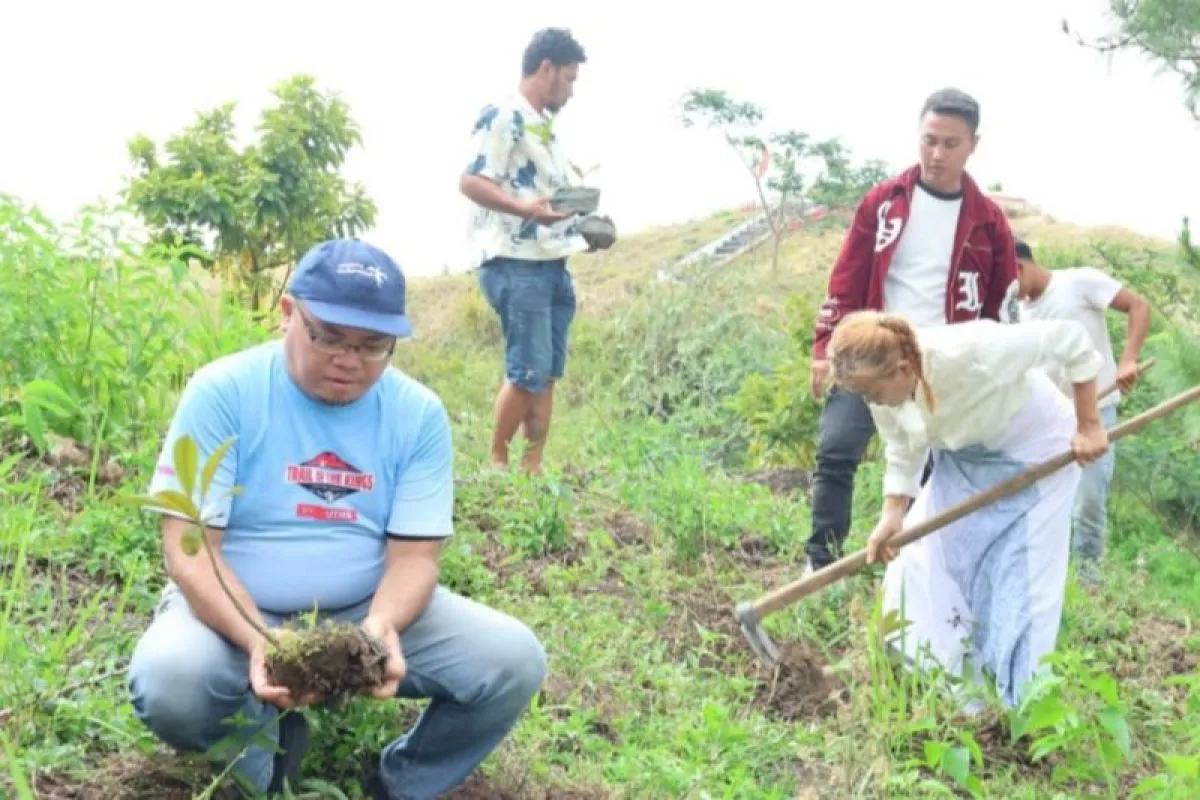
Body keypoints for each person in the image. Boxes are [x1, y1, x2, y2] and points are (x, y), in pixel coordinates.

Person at [125, 239, 548, 799]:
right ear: (288, 314)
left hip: (362, 609)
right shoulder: (223, 392)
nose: (350, 360)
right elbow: (191, 550)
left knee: (512, 660)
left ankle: (400, 785)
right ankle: (261, 767)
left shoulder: (416, 413)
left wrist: (380, 627)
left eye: (373, 346)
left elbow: (416, 558)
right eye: (328, 337)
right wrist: (259, 639)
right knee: (172, 682)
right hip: (232, 609)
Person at [827, 310, 1108, 710]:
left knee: (1017, 575)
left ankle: (1020, 708)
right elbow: (902, 445)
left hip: (1035, 452)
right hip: (964, 459)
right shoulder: (883, 391)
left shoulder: (973, 351)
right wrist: (893, 512)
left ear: (903, 369)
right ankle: (954, 692)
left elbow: (1071, 339)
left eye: (872, 394)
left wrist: (1089, 424)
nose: (871, 402)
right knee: (923, 564)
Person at [804, 87, 1023, 574]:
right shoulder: (885, 203)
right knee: (837, 449)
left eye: (950, 143)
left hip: (936, 366)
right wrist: (824, 346)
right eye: (929, 140)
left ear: (973, 146)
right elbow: (846, 277)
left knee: (929, 472)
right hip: (869, 352)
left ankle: (911, 573)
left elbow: (1001, 307)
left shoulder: (988, 223)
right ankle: (820, 563)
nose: (937, 153)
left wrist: (997, 372)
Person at [459, 27, 605, 475]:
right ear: (547, 68)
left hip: (551, 262)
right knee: (526, 371)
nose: (572, 91)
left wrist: (585, 229)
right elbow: (472, 180)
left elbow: (547, 203)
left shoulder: (545, 131)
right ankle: (497, 464)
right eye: (569, 79)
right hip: (515, 261)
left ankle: (531, 469)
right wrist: (524, 209)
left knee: (547, 373)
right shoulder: (503, 115)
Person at [1014, 239, 1151, 585]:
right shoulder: (1018, 313)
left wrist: (1128, 359)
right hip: (1050, 422)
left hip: (1097, 412)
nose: (1007, 292)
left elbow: (1138, 305)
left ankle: (1090, 584)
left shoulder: (1078, 282)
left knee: (1089, 503)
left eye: (1006, 280)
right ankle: (1052, 583)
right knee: (1045, 505)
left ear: (1018, 267)